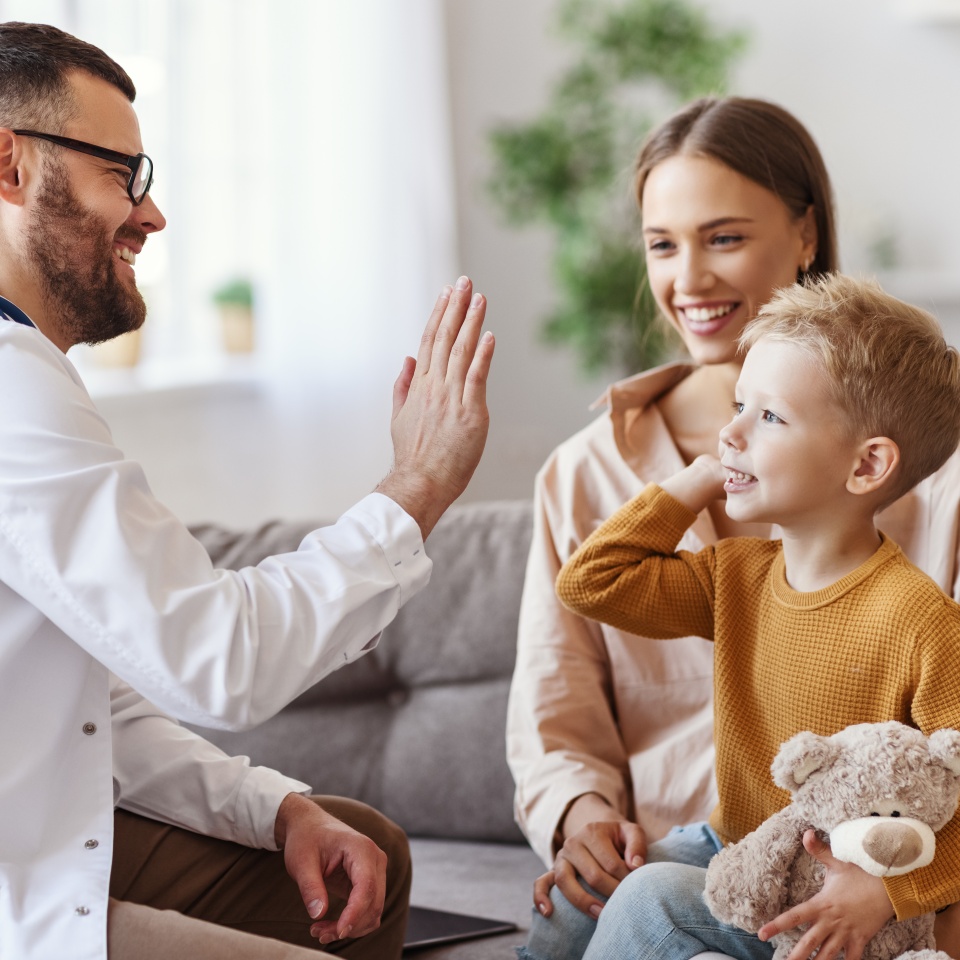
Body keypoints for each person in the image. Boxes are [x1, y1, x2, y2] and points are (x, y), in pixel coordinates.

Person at [0, 21, 494, 960]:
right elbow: (217, 661)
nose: (152, 215)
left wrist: (276, 810)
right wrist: (418, 486)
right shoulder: (9, 387)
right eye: (125, 175)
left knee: (361, 842)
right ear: (10, 165)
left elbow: (92, 689)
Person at [506, 95, 960, 959]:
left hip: (854, 866)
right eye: (661, 245)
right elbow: (556, 699)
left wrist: (901, 885)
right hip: (698, 846)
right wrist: (583, 816)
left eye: (723, 238)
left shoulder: (927, 491)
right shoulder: (589, 476)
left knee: (654, 912)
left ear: (806, 235)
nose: (688, 280)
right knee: (587, 917)